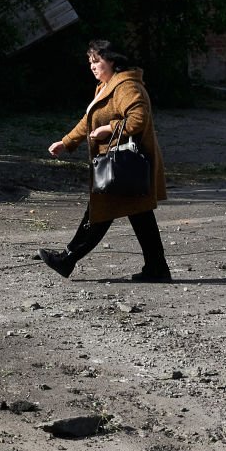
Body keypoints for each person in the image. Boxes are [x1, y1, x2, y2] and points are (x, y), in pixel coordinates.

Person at [41, 40, 171, 282]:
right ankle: (157, 268)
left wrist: (108, 129)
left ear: (112, 60)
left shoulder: (125, 87)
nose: (92, 66)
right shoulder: (106, 86)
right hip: (124, 167)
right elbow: (88, 121)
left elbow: (138, 119)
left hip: (123, 164)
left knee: (99, 213)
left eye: (96, 61)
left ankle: (67, 259)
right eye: (90, 61)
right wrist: (66, 142)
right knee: (140, 215)